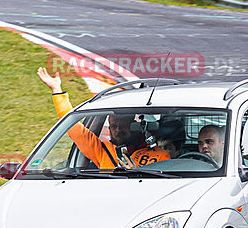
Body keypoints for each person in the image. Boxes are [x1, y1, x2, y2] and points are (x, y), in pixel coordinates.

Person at [36, 66, 170, 169]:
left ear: (134, 126)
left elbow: (164, 187)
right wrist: (56, 90)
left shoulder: (159, 155)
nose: (117, 131)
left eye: (122, 126)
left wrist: (137, 174)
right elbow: (74, 129)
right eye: (114, 126)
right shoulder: (102, 150)